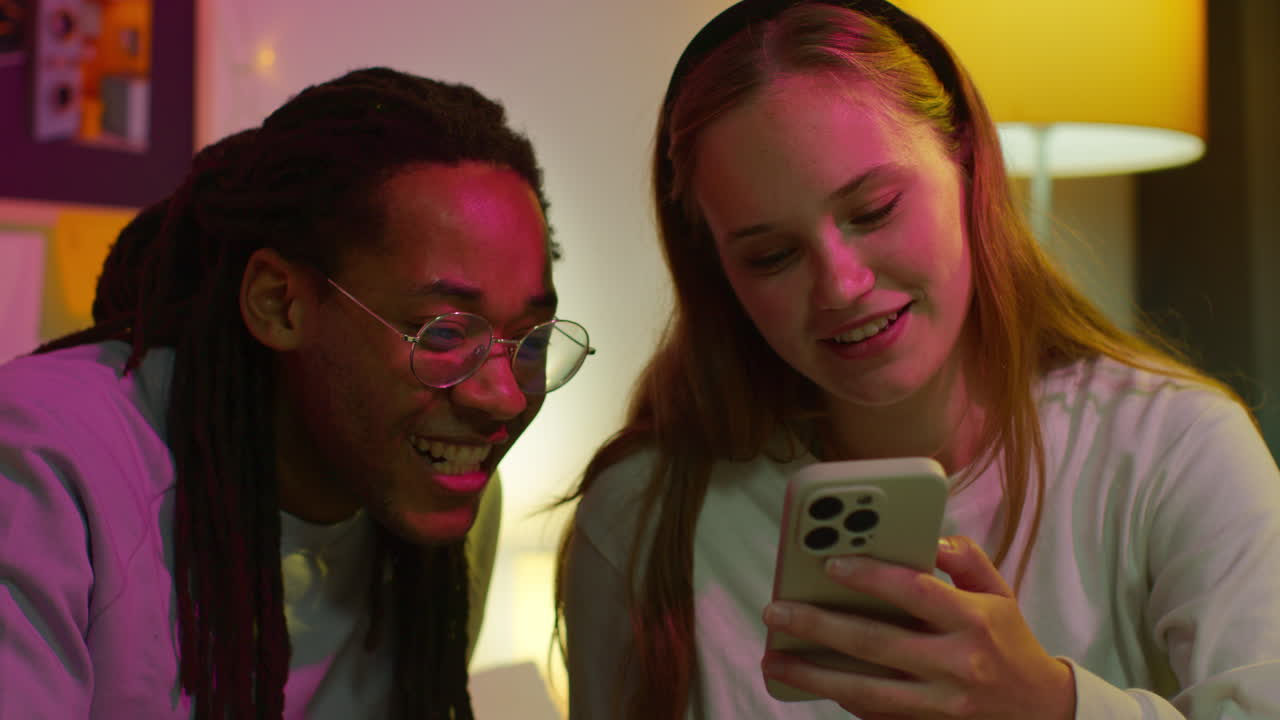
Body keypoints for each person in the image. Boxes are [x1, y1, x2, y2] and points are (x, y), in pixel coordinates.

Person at [555, 1, 1280, 718]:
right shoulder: (643, 518)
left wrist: (1051, 707)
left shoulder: (1173, 450)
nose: (841, 286)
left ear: (967, 164)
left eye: (873, 212)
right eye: (772, 256)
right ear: (716, 272)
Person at [0, 67, 593, 719]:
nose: (503, 398)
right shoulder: (47, 461)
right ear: (279, 303)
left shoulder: (448, 502)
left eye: (532, 339)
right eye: (444, 332)